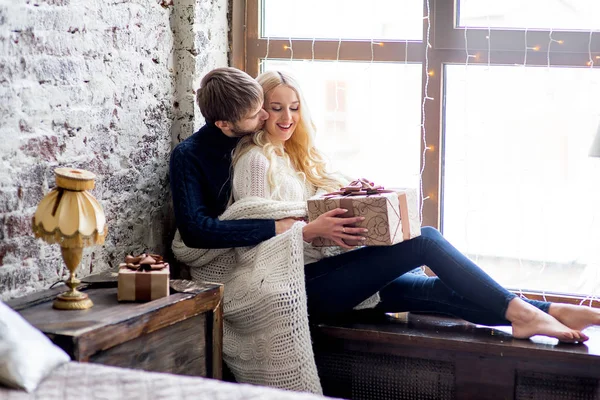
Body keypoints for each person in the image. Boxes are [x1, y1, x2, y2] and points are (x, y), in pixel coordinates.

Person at [171, 68, 600, 394]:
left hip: (327, 272)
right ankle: (525, 314)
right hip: (294, 285)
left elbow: (312, 212)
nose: (281, 116)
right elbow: (248, 228)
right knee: (426, 240)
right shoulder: (253, 159)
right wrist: (302, 228)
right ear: (245, 118)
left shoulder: (298, 156)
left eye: (293, 107)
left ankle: (547, 310)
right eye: (271, 108)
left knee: (428, 293)